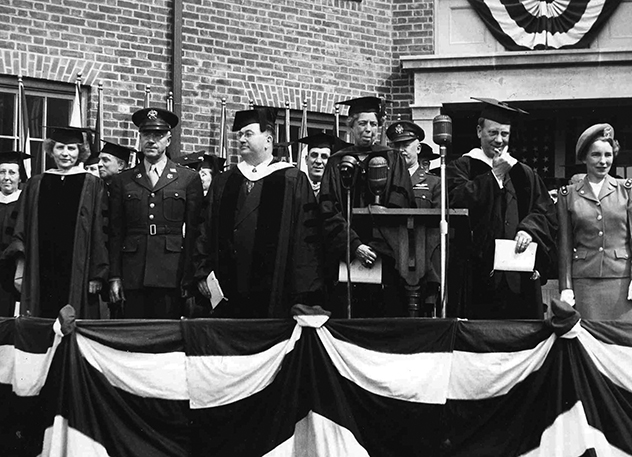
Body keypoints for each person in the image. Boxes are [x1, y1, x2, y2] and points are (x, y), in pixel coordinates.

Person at [192, 107, 324, 318]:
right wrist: (201, 271)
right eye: (240, 135)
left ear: (268, 140)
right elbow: (204, 230)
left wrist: (302, 292)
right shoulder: (224, 181)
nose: (241, 139)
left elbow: (305, 240)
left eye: (248, 134)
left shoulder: (292, 179)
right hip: (226, 285)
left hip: (276, 289)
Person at [446, 97, 557, 319]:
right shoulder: (462, 166)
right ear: (479, 131)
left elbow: (544, 211)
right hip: (477, 274)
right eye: (493, 133)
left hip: (519, 271)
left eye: (504, 134)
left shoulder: (523, 173)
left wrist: (529, 229)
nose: (499, 140)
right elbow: (456, 199)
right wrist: (494, 176)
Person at [320, 96, 415, 317]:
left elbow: (400, 206)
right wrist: (354, 246)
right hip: (346, 257)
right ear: (351, 125)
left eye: (373, 124)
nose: (368, 129)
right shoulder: (337, 162)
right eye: (362, 123)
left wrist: (376, 246)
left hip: (385, 257)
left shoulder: (392, 159)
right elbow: (328, 210)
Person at [108, 107, 203, 319]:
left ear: (168, 140)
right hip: (133, 272)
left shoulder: (187, 179)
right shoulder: (122, 181)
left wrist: (189, 276)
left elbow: (195, 232)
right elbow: (115, 232)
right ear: (140, 138)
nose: (151, 140)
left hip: (171, 273)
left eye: (158, 135)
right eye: (146, 135)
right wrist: (114, 276)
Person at [6, 127, 108, 318]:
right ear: (51, 150)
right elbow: (21, 228)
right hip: (39, 270)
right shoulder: (36, 184)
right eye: (60, 148)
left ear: (80, 152)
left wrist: (97, 274)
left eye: (71, 148)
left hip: (79, 273)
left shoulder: (92, 184)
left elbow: (100, 231)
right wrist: (20, 269)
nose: (65, 154)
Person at [558, 124, 632, 321]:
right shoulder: (568, 194)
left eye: (608, 155)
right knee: (588, 340)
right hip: (584, 281)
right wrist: (566, 286)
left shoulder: (626, 190)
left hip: (621, 280)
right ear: (584, 158)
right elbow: (565, 245)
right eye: (596, 155)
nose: (603, 161)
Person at [386, 120, 441, 312]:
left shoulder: (434, 183)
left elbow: (439, 229)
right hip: (391, 264)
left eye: (406, 145)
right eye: (396, 145)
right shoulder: (383, 183)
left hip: (424, 267)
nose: (401, 150)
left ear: (418, 148)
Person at [0, 152, 28, 317]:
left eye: (12, 172)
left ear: (20, 177)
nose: (6, 177)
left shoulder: (25, 203)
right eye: (2, 172)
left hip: (15, 268)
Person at [297, 132, 350, 198]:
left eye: (324, 156)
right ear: (306, 159)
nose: (318, 161)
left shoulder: (337, 193)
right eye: (314, 155)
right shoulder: (296, 189)